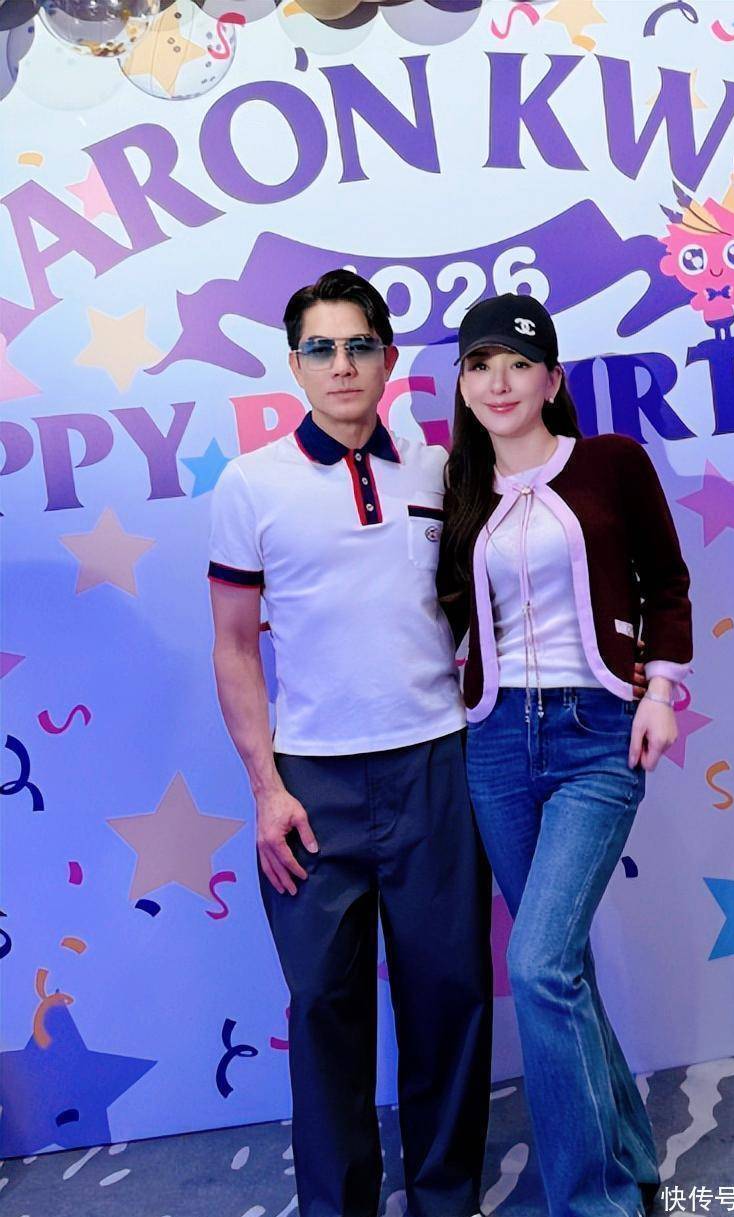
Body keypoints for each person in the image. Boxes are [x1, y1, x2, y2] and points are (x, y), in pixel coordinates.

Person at [207, 269, 492, 1217]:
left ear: (388, 358)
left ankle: (446, 1199)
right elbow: (235, 647)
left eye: (359, 344)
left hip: (436, 767)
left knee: (449, 999)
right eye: (321, 348)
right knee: (325, 1010)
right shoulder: (250, 484)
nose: (342, 364)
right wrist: (266, 789)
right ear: (294, 365)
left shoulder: (440, 472)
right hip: (311, 788)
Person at [437, 293, 694, 1217]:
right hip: (497, 741)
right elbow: (449, 608)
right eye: (480, 365)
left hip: (596, 733)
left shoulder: (612, 463)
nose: (499, 381)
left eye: (518, 363)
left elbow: (666, 580)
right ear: (463, 385)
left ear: (552, 379)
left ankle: (594, 1203)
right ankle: (630, 1158)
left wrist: (659, 689)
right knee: (562, 966)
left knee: (538, 964)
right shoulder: (460, 489)